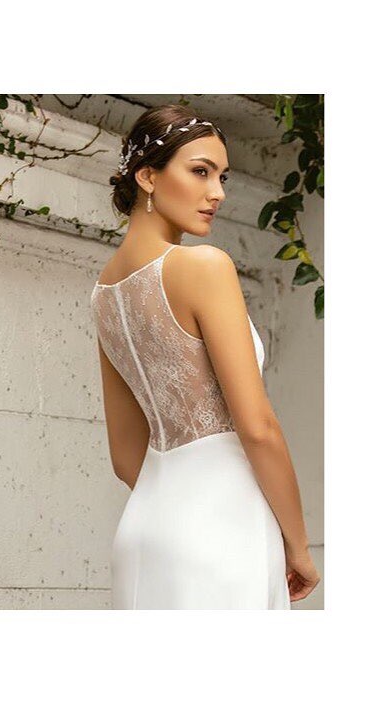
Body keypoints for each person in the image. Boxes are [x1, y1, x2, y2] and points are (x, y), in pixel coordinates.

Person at [90, 104, 320, 609]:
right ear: (147, 176)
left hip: (145, 530)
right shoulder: (204, 267)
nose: (217, 192)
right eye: (200, 171)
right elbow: (258, 427)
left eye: (222, 177)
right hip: (222, 525)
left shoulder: (104, 293)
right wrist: (299, 546)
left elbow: (125, 457)